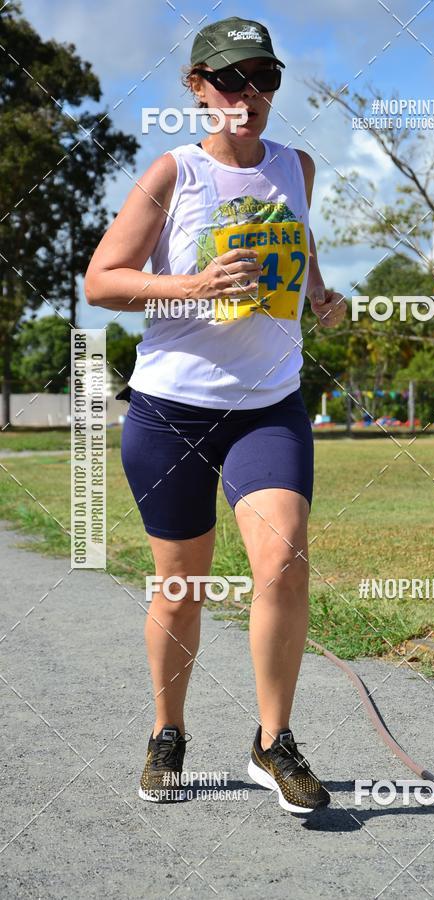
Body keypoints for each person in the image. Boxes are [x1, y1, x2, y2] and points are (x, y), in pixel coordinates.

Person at [84, 16, 346, 813]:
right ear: (196, 85)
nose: (250, 95)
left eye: (263, 78)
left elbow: (299, 256)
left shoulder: (296, 166)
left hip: (268, 408)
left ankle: (274, 741)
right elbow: (103, 281)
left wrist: (324, 300)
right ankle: (168, 733)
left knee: (283, 561)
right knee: (182, 589)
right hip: (172, 412)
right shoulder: (172, 173)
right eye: (231, 79)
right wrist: (193, 287)